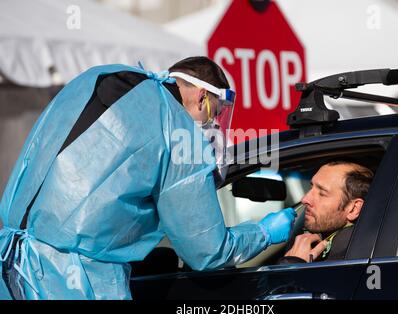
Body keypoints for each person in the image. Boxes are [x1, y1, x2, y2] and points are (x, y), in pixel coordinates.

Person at [0, 56, 296, 300]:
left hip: (9, 262)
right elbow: (207, 252)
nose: (212, 126)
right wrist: (265, 233)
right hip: (73, 282)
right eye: (214, 114)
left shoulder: (104, 76)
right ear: (203, 97)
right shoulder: (179, 132)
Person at [278, 161, 373, 264]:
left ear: (353, 209)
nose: (304, 199)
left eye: (322, 193)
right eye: (311, 187)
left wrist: (292, 263)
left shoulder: (347, 257)